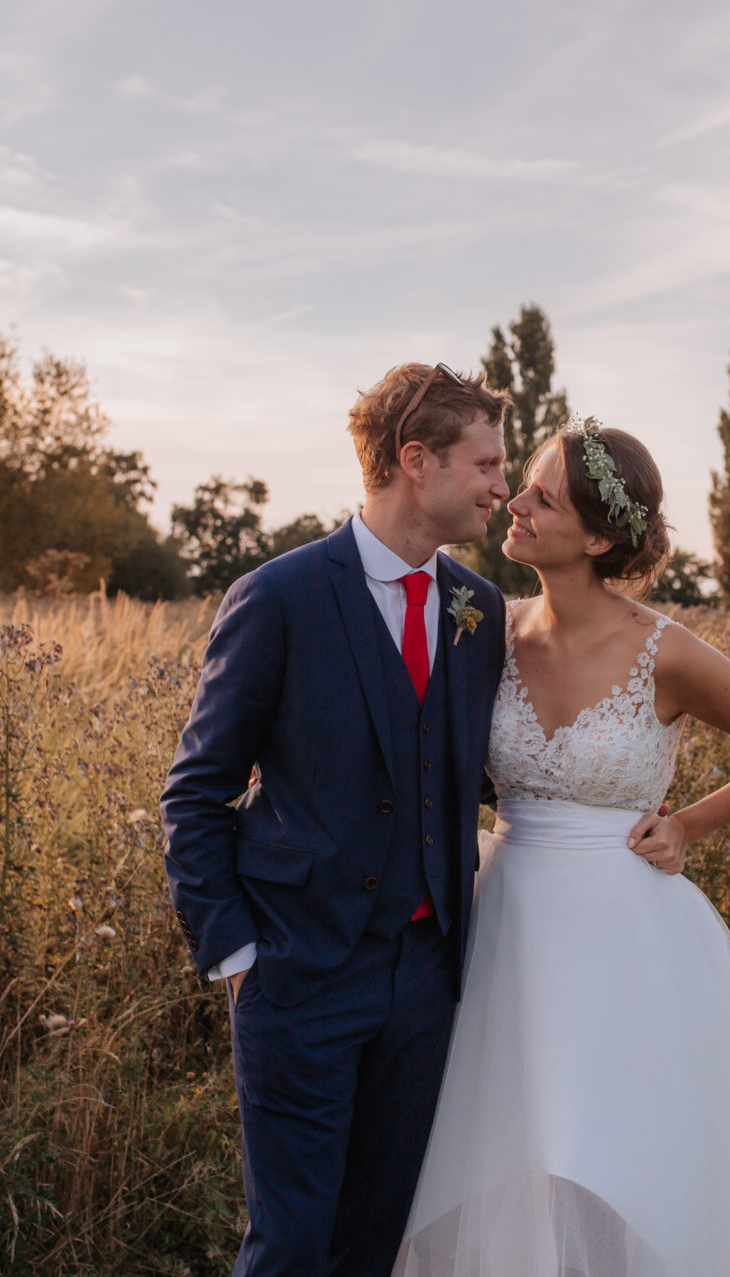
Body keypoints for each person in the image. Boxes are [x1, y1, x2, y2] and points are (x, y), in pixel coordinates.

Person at [394, 419, 730, 1277]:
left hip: (624, 938)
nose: (511, 501)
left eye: (541, 497)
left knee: (611, 1155)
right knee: (503, 1148)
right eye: (520, 486)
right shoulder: (488, 631)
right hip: (503, 921)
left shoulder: (666, 651)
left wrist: (689, 823)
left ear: (596, 536)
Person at [161, 362, 512, 1277]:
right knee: (291, 1246)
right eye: (486, 463)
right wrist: (238, 958)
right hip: (299, 974)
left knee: (375, 1241)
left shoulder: (483, 609)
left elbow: (475, 771)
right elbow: (194, 791)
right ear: (415, 460)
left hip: (428, 981)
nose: (501, 488)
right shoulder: (277, 598)